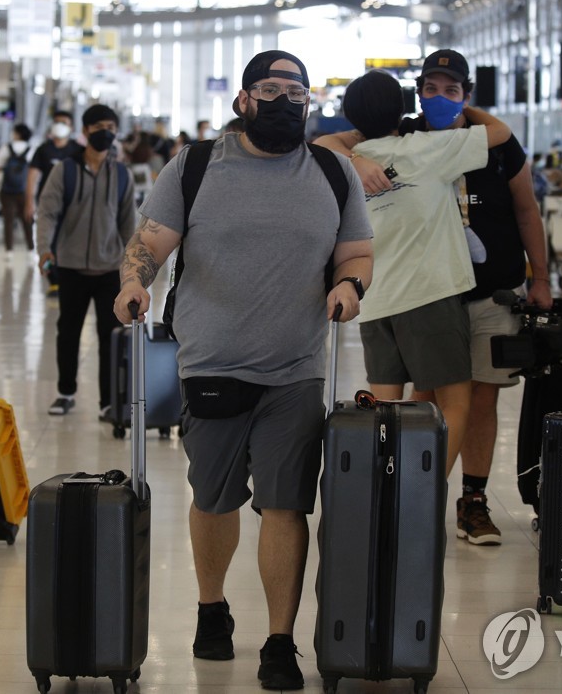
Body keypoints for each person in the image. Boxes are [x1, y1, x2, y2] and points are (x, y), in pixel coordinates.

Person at [113, 50, 372, 691]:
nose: (285, 100)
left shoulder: (334, 173)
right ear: (243, 101)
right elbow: (148, 244)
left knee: (286, 506)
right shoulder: (196, 165)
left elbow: (357, 251)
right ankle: (211, 606)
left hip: (296, 369)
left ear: (310, 104)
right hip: (212, 364)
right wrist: (133, 283)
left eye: (296, 92)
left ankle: (280, 641)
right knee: (214, 498)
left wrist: (349, 286)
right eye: (271, 88)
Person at [315, 66, 511, 490]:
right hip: (429, 296)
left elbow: (319, 142)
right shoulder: (429, 148)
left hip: (374, 299)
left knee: (384, 409)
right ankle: (423, 495)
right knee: (454, 404)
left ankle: (386, 491)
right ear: (408, 106)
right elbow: (499, 131)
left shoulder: (344, 162)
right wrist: (459, 104)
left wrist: (356, 149)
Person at [394, 49, 552, 546]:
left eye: (451, 89)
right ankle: (416, 499)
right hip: (427, 293)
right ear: (418, 91)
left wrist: (542, 278)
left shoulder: (498, 145)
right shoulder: (404, 139)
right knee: (426, 396)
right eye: (430, 88)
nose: (439, 98)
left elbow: (527, 212)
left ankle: (474, 501)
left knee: (483, 398)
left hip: (493, 293)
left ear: (467, 96)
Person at [37, 104, 136, 419]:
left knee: (110, 337)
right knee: (68, 332)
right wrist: (44, 250)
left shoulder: (122, 174)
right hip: (71, 266)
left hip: (109, 268)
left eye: (110, 126)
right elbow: (48, 212)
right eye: (98, 126)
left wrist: (131, 267)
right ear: (86, 131)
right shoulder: (64, 170)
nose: (104, 131)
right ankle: (66, 392)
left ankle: (108, 402)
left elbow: (127, 223)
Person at [26, 110, 83, 297]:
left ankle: (68, 276)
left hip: (73, 204)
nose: (60, 125)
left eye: (64, 122)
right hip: (48, 204)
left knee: (68, 240)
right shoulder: (44, 149)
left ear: (71, 127)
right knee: (47, 242)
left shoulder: (77, 150)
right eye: (57, 121)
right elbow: (33, 175)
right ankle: (53, 280)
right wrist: (29, 201)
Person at [0, 122, 34, 254]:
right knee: (27, 219)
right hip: (25, 190)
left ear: (17, 134)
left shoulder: (6, 148)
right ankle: (30, 248)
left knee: (8, 220)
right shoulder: (32, 149)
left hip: (7, 190)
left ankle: (9, 250)